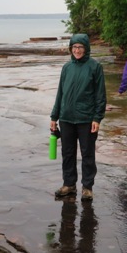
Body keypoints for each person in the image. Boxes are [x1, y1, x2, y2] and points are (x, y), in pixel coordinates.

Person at [50, 34, 107, 201]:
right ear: (70, 49)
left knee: (87, 154)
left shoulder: (95, 67)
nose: (77, 50)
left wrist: (97, 118)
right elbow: (60, 93)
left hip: (86, 119)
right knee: (67, 153)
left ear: (86, 48)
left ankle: (87, 187)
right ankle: (69, 184)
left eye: (80, 47)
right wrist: (54, 116)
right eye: (74, 47)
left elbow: (100, 95)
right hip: (66, 118)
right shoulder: (67, 68)